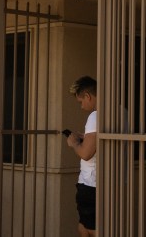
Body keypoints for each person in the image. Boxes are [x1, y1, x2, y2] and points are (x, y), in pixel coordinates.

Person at [66, 76, 97, 236]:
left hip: (91, 184)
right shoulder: (120, 112)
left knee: (92, 229)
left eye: (81, 101)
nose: (82, 106)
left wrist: (74, 144)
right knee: (83, 228)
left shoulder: (95, 116)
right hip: (110, 182)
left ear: (87, 96)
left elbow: (86, 154)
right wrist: (86, 138)